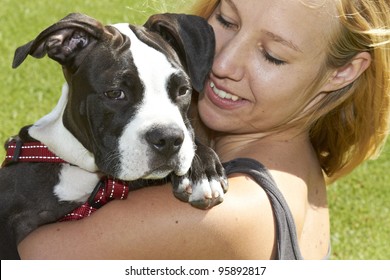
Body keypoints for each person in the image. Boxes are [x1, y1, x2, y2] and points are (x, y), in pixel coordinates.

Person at [17, 0, 390, 259]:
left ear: (343, 71)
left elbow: (26, 254)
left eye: (272, 55)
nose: (224, 63)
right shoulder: (284, 164)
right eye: (226, 21)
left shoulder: (227, 214)